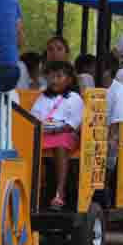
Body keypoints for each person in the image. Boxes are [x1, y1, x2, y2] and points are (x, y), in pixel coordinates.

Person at [33, 61, 84, 210]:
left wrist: (55, 130)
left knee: (60, 144)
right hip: (44, 133)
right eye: (50, 76)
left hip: (65, 134)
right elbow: (34, 116)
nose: (54, 80)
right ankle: (33, 189)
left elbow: (72, 123)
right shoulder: (43, 97)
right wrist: (44, 128)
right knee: (28, 144)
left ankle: (59, 192)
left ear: (69, 79)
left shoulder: (74, 97)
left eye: (59, 76)